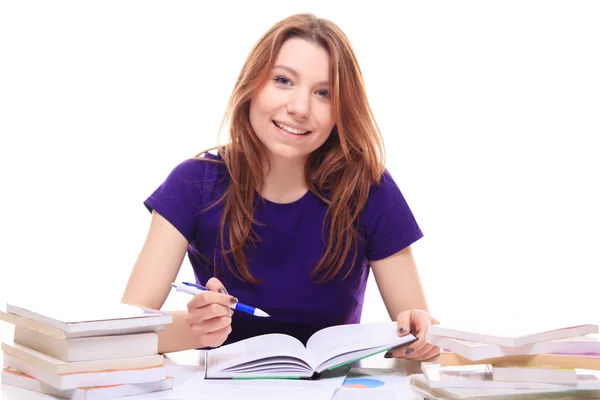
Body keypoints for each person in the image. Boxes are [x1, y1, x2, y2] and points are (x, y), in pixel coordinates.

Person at [122, 13, 439, 361]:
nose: (300, 108)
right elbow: (122, 332)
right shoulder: (193, 183)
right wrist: (193, 327)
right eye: (283, 80)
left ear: (341, 110)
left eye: (323, 93)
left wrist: (422, 337)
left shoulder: (368, 188)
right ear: (253, 85)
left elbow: (419, 335)